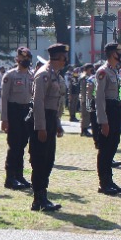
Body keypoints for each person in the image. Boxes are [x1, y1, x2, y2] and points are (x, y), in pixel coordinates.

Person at [29, 43, 67, 211]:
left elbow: (56, 103)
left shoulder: (56, 75)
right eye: (64, 58)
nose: (65, 61)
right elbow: (38, 103)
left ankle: (43, 196)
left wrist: (57, 123)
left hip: (50, 119)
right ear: (57, 57)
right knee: (40, 160)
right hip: (42, 120)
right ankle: (38, 198)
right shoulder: (44, 74)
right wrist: (41, 127)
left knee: (48, 159)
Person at [0, 46, 35, 190]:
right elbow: (4, 98)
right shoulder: (10, 75)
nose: (25, 61)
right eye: (23, 58)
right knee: (14, 145)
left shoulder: (32, 75)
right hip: (14, 111)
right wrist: (4, 119)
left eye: (27, 59)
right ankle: (10, 178)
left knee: (22, 144)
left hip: (26, 111)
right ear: (17, 59)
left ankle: (19, 176)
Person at [93, 42, 121, 195]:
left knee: (113, 144)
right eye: (118, 51)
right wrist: (103, 121)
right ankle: (103, 183)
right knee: (105, 148)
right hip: (106, 111)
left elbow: (118, 93)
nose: (120, 54)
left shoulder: (115, 72)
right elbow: (99, 98)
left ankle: (110, 180)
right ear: (113, 53)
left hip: (115, 110)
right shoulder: (103, 72)